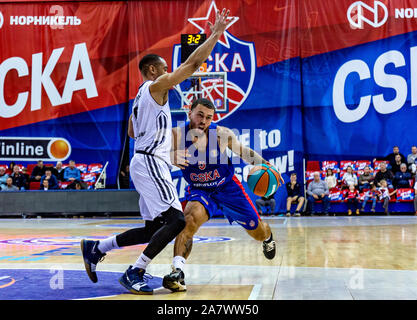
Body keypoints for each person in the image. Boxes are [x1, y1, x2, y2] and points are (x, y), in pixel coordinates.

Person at [80, 9, 232, 296]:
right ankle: (134, 271)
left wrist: (158, 141)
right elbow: (192, 63)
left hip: (147, 161)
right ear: (152, 71)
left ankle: (96, 248)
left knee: (153, 229)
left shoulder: (141, 96)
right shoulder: (155, 86)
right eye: (164, 68)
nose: (167, 73)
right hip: (151, 163)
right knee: (177, 220)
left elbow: (131, 133)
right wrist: (214, 35)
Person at [161, 97, 283, 292]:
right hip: (200, 189)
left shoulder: (221, 135)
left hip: (228, 188)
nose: (203, 121)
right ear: (189, 112)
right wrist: (168, 156)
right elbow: (154, 152)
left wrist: (268, 166)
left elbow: (244, 152)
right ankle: (178, 271)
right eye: (199, 114)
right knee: (189, 220)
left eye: (208, 117)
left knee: (258, 231)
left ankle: (268, 237)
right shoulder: (176, 135)